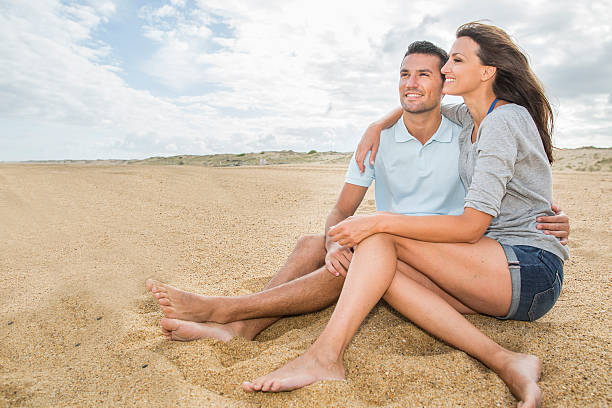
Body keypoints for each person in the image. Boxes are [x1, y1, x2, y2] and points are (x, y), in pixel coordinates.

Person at [147, 33, 567, 406]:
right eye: (408, 73)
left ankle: (274, 333)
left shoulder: (497, 120)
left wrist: (377, 222)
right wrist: (377, 124)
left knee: (379, 240)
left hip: (514, 262)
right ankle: (508, 360)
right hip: (489, 263)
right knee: (345, 251)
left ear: (486, 71)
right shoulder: (467, 118)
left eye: (454, 62)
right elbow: (419, 112)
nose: (439, 72)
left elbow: (478, 220)